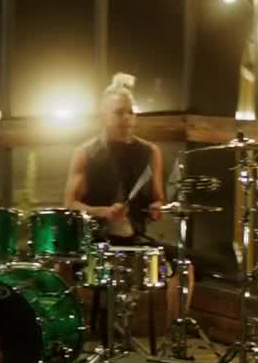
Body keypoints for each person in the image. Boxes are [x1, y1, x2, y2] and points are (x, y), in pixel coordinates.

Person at [64, 72, 192, 329]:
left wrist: (157, 208)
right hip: (97, 241)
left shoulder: (150, 152)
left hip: (136, 238)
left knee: (184, 265)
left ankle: (175, 335)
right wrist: (103, 211)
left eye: (131, 112)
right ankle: (74, 331)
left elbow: (158, 200)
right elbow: (70, 203)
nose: (126, 118)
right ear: (103, 116)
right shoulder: (86, 153)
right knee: (62, 265)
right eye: (119, 112)